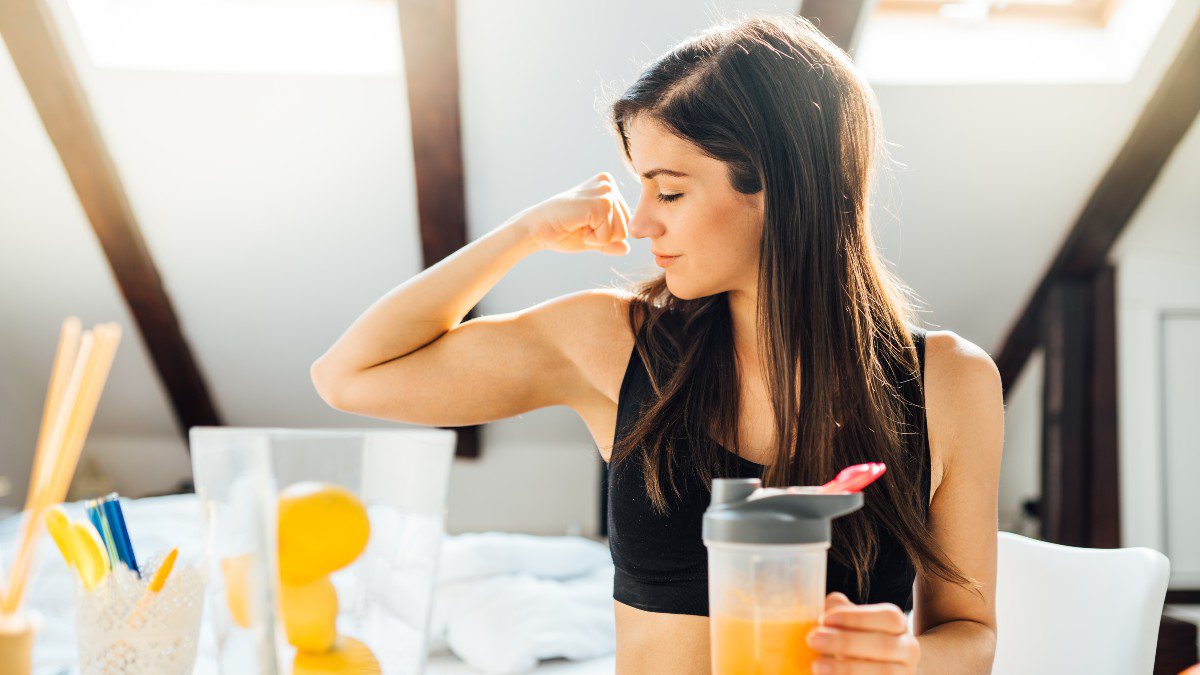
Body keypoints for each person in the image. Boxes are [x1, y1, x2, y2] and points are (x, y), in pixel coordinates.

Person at [311, 13, 1002, 675]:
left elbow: (969, 632)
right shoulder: (613, 346)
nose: (640, 222)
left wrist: (907, 658)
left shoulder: (949, 383)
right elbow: (351, 374)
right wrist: (524, 233)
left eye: (669, 193)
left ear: (781, 188)